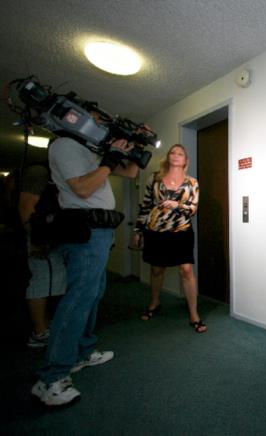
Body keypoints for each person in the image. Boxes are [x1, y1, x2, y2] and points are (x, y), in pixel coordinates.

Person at [31, 132, 141, 406]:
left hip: (100, 231)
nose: (99, 124)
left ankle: (82, 353)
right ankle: (51, 379)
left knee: (93, 294)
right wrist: (108, 160)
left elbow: (131, 172)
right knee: (78, 299)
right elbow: (81, 189)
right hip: (85, 230)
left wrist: (134, 148)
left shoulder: (89, 151)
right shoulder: (64, 145)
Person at [131, 144, 207, 333]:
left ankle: (194, 314)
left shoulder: (192, 182)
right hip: (156, 231)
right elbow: (146, 206)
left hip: (181, 231)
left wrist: (178, 205)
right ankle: (154, 303)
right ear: (168, 157)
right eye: (172, 152)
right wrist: (138, 230)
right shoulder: (154, 179)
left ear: (185, 160)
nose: (175, 155)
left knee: (187, 270)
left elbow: (193, 209)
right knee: (157, 270)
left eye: (180, 153)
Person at [18, 164, 67, 348]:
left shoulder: (57, 173)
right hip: (40, 237)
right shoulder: (39, 172)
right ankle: (39, 332)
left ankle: (45, 325)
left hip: (53, 237)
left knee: (54, 282)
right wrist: (35, 238)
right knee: (41, 282)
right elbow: (25, 206)